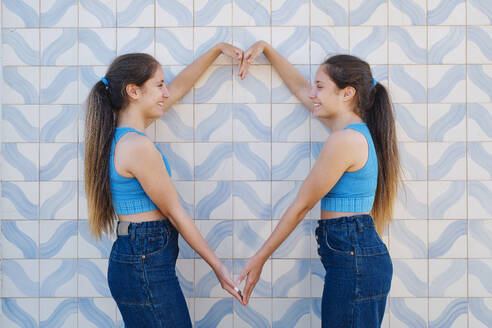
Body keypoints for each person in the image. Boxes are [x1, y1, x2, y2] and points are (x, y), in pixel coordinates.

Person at [237, 41, 401, 327]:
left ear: (347, 93)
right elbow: (301, 89)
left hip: (356, 261)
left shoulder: (345, 140)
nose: (312, 94)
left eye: (320, 87)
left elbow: (302, 206)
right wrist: (268, 50)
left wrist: (259, 259)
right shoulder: (352, 133)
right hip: (356, 257)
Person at [84, 43, 244, 327]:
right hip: (143, 258)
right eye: (159, 85)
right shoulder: (136, 145)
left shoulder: (122, 135)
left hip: (138, 255)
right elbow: (174, 213)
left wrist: (217, 51)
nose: (166, 93)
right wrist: (218, 267)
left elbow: (179, 88)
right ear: (133, 91)